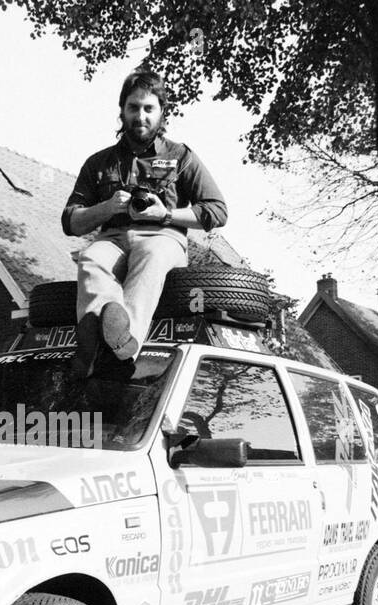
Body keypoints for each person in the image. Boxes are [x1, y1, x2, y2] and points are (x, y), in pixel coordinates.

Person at [61, 70, 228, 379]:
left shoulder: (182, 157)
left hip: (163, 237)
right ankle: (96, 335)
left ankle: (124, 348)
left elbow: (216, 211)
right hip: (112, 238)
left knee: (151, 256)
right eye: (133, 107)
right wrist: (107, 207)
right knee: (91, 259)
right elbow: (70, 221)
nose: (140, 115)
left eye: (148, 108)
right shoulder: (99, 163)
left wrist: (165, 214)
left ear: (162, 112)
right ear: (122, 110)